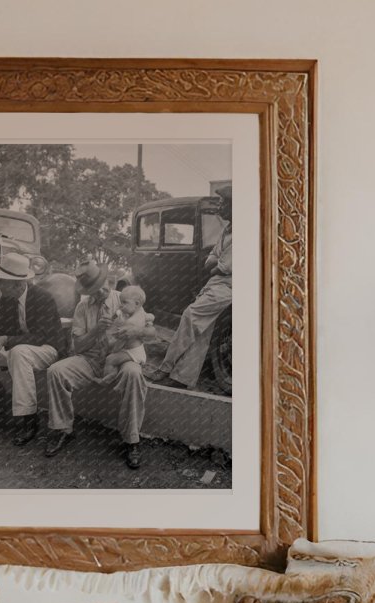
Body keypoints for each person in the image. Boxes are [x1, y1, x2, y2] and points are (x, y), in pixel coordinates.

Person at [42, 264, 158, 469]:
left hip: (120, 358)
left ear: (108, 281)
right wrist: (96, 331)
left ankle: (131, 439)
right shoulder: (82, 307)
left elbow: (152, 333)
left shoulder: (125, 298)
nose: (103, 292)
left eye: (104, 286)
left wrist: (135, 332)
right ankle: (62, 429)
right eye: (97, 290)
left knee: (134, 373)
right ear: (88, 291)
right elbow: (77, 347)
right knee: (56, 371)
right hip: (91, 359)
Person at [0, 251, 65, 443]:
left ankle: (28, 419)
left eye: (2, 281)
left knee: (19, 352)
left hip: (47, 349)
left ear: (18, 284)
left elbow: (41, 337)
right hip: (21, 348)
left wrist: (5, 340)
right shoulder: (8, 298)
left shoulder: (43, 298)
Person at [149, 185, 232, 390]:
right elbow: (210, 260)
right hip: (218, 284)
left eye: (223, 203)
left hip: (229, 286)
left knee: (190, 315)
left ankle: (166, 368)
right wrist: (215, 264)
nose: (219, 206)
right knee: (202, 330)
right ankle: (181, 378)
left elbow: (220, 267)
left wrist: (215, 265)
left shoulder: (244, 232)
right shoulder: (228, 230)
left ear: (233, 206)